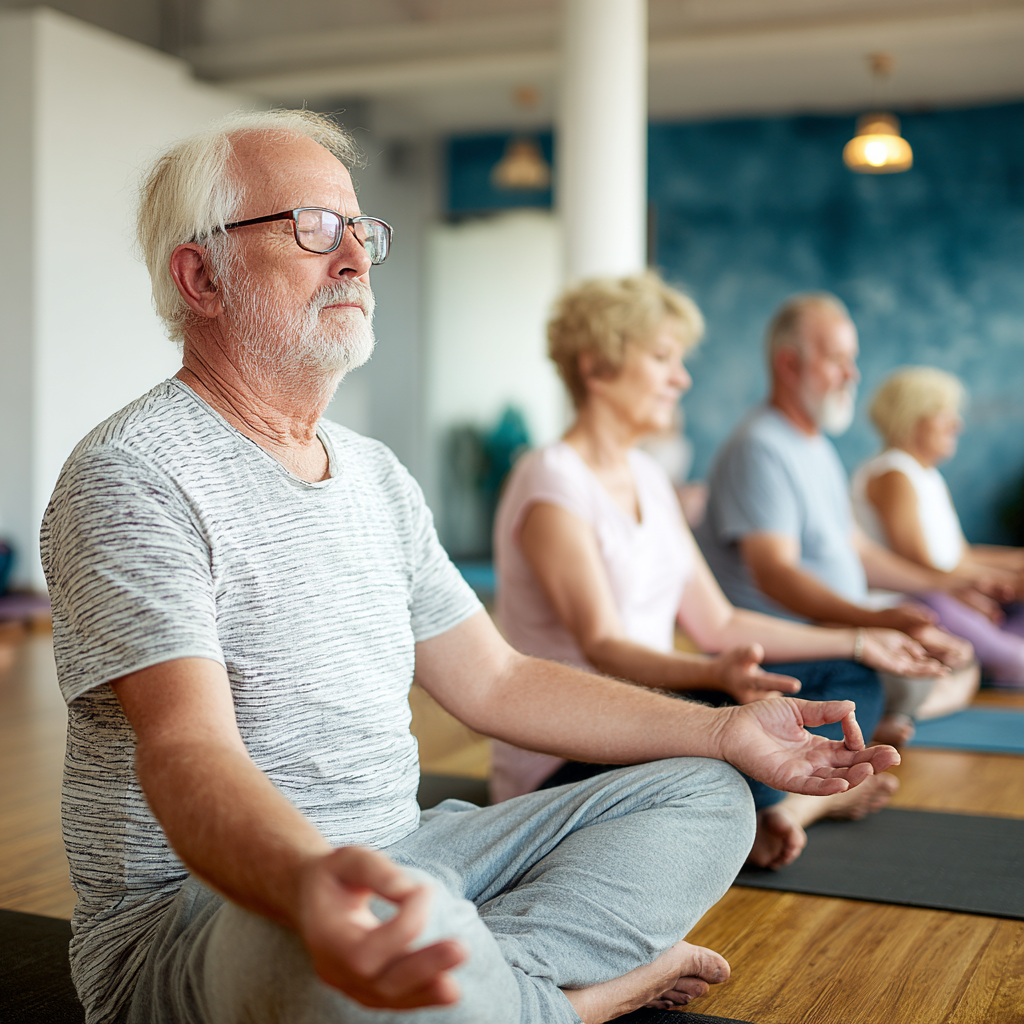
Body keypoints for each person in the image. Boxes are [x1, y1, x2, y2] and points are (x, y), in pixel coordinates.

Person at [38, 110, 899, 1024]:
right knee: (329, 966)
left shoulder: (374, 473)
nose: (356, 260)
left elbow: (495, 680)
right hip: (212, 919)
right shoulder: (132, 476)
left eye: (361, 232)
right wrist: (311, 883)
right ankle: (572, 1003)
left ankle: (469, 982)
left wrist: (722, 733)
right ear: (201, 274)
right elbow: (187, 749)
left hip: (415, 858)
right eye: (312, 228)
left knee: (708, 795)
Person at [492, 273, 940, 871]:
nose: (682, 378)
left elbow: (719, 620)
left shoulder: (649, 478)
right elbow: (603, 646)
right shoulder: (553, 483)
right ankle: (800, 803)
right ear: (597, 368)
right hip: (567, 749)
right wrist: (714, 679)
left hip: (649, 715)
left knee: (847, 677)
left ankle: (781, 809)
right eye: (662, 359)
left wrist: (861, 638)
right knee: (730, 751)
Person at [697, 292, 986, 745]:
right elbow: (774, 573)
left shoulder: (816, 446)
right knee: (919, 675)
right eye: (836, 360)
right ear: (789, 365)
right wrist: (869, 624)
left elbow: (859, 550)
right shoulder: (759, 447)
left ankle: (872, 724)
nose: (852, 374)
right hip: (793, 647)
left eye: (852, 359)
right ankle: (869, 722)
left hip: (845, 632)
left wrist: (944, 584)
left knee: (958, 660)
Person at [852, 366, 1024, 685]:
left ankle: (984, 662)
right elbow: (920, 565)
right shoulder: (894, 474)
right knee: (1016, 662)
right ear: (911, 417)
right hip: (919, 599)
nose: (956, 424)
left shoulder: (925, 475)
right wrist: (998, 579)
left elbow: (958, 555)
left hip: (944, 591)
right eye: (944, 414)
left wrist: (1014, 565)